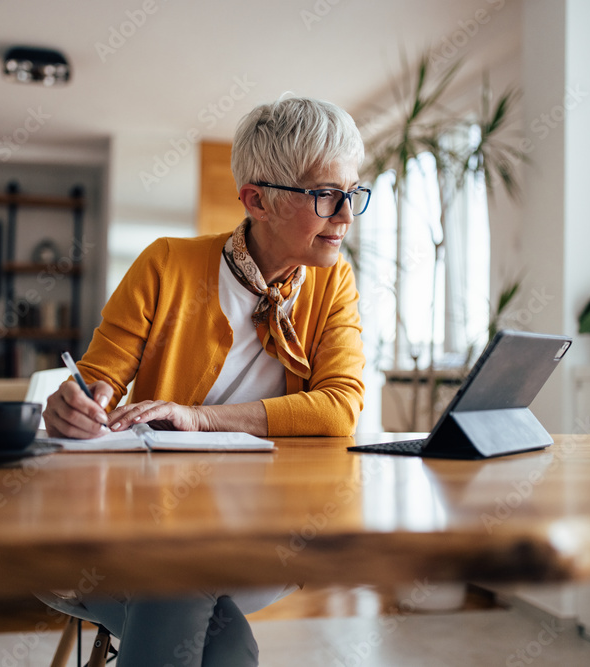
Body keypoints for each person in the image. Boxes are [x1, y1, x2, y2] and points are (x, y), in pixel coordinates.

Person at [40, 96, 369, 667]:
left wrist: (202, 417)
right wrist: (73, 405)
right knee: (221, 635)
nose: (345, 215)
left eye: (353, 193)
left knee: (191, 593)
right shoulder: (165, 264)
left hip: (265, 534)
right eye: (325, 195)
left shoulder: (332, 282)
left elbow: (340, 407)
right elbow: (96, 382)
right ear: (256, 200)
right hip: (136, 529)